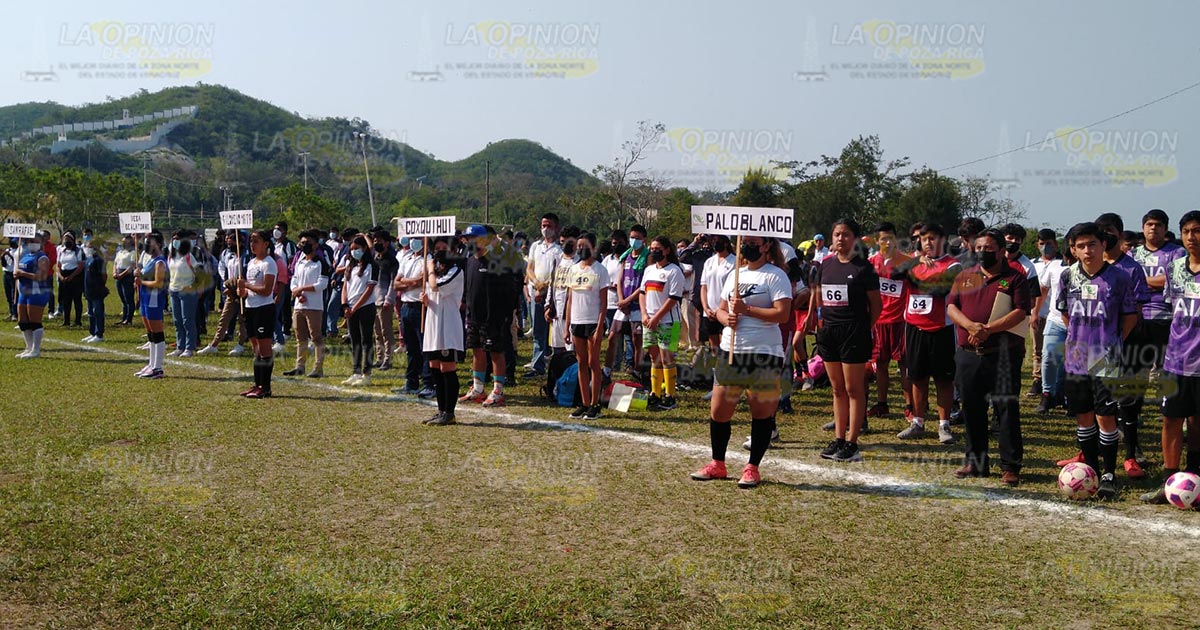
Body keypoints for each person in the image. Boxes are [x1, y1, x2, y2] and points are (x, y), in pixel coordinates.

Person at [690, 235, 793, 488]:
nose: (746, 246)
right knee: (719, 410)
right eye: (744, 242)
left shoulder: (776, 275)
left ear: (766, 245)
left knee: (761, 412)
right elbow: (721, 309)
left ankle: (752, 467)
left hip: (764, 352)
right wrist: (725, 318)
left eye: (752, 242)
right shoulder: (734, 274)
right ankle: (718, 463)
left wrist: (747, 310)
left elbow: (782, 314)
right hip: (731, 350)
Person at [1056, 222, 1138, 499]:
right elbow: (1065, 313)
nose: (1087, 250)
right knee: (1083, 416)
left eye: (1092, 244)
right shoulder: (1067, 276)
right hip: (1076, 358)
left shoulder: (1119, 278)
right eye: (1080, 246)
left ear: (1103, 245)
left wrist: (1113, 341)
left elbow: (1130, 316)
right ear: (1073, 250)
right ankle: (1090, 468)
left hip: (1106, 358)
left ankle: (1109, 473)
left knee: (1106, 416)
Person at [946, 229, 1032, 485]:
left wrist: (987, 330)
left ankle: (1010, 466)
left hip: (1003, 355)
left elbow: (1020, 312)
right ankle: (976, 462)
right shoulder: (965, 276)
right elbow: (952, 307)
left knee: (1006, 410)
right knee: (972, 409)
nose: (983, 252)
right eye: (979, 248)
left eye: (989, 248)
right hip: (968, 355)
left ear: (1002, 251)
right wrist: (971, 326)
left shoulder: (1015, 278)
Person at [809, 218, 881, 463]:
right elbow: (820, 297)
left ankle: (852, 442)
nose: (841, 238)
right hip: (830, 332)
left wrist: (863, 327)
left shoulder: (864, 268)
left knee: (853, 389)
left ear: (855, 239)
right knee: (837, 388)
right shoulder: (826, 265)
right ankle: (839, 439)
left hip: (854, 332)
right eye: (837, 234)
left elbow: (876, 306)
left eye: (846, 234)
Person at [1143, 210, 1200, 503]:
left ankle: (1195, 475)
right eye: (1187, 231)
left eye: (1197, 230)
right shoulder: (1175, 268)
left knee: (1198, 421)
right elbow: (1173, 308)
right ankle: (1169, 480)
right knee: (1171, 419)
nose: (1192, 237)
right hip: (1176, 359)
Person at [892, 223, 961, 445]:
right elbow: (894, 274)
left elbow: (940, 290)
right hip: (914, 327)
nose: (927, 243)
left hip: (941, 329)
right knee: (917, 377)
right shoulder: (915, 262)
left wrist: (914, 277)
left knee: (943, 379)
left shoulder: (953, 265)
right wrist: (915, 262)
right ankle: (918, 422)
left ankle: (944, 424)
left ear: (942, 240)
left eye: (932, 238)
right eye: (923, 239)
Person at [460, 225, 521, 407]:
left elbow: (510, 290)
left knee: (495, 352)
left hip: (494, 316)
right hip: (474, 315)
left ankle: (498, 390)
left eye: (473, 238)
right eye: (467, 239)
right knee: (476, 350)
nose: (470, 242)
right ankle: (478, 388)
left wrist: (507, 314)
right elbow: (468, 287)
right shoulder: (470, 261)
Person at [867, 222, 913, 421]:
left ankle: (910, 406)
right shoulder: (870, 263)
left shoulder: (907, 262)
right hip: (879, 321)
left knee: (904, 365)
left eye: (891, 238)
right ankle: (882, 404)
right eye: (883, 239)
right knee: (881, 364)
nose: (888, 242)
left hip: (901, 321)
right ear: (877, 241)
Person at [564, 232, 610, 419]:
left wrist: (600, 326)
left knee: (593, 362)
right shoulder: (574, 269)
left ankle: (595, 404)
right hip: (577, 321)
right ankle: (584, 402)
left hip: (592, 322)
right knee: (581, 362)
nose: (581, 249)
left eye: (585, 246)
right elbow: (570, 299)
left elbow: (604, 302)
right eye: (579, 246)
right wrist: (567, 325)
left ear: (593, 248)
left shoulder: (600, 270)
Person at [422, 237, 466, 425]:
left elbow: (435, 286)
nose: (439, 252)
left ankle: (450, 412)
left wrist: (430, 269)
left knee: (447, 369)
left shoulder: (456, 271)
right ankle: (440, 410)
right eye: (437, 248)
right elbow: (431, 292)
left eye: (443, 248)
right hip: (433, 324)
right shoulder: (437, 272)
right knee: (435, 368)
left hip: (448, 326)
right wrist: (425, 299)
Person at [639, 236, 686, 411]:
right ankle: (655, 392)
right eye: (652, 248)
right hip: (649, 320)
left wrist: (657, 318)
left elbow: (673, 298)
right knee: (654, 357)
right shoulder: (649, 270)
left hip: (669, 321)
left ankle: (670, 396)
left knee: (667, 358)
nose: (654, 251)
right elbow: (642, 293)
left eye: (658, 249)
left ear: (666, 250)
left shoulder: (674, 271)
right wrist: (644, 314)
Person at [238, 230, 279, 398]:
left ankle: (265, 387)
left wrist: (247, 285)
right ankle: (257, 384)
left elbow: (266, 290)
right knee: (255, 347)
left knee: (264, 347)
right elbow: (248, 289)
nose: (252, 244)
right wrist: (242, 292)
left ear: (266, 244)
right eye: (251, 241)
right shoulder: (251, 262)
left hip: (264, 308)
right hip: (251, 307)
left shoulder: (269, 263)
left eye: (256, 241)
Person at [283, 230, 330, 378]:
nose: (304, 245)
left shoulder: (320, 262)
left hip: (314, 306)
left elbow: (322, 284)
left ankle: (318, 368)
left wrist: (302, 289)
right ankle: (300, 366)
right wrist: (297, 292)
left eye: (307, 243)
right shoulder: (300, 261)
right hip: (299, 305)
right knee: (300, 337)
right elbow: (294, 280)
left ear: (315, 245)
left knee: (316, 337)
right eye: (302, 243)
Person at [395, 235, 435, 396]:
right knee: (411, 348)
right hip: (406, 306)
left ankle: (428, 383)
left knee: (423, 347)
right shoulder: (407, 258)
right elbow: (396, 283)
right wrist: (411, 282)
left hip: (420, 307)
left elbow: (422, 281)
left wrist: (406, 282)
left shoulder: (428, 259)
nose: (413, 241)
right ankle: (411, 382)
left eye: (417, 238)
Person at [198, 231, 250, 356]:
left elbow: (246, 273)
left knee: (242, 319)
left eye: (232, 243)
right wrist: (227, 285)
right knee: (224, 318)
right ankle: (214, 344)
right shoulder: (228, 255)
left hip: (243, 291)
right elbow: (225, 271)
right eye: (228, 243)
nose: (229, 246)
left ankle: (240, 344)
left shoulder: (247, 256)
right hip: (231, 291)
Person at [609, 225, 649, 380]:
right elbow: (620, 280)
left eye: (638, 238)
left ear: (644, 239)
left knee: (636, 339)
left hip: (637, 305)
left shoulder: (648, 257)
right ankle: (607, 369)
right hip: (622, 305)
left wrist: (628, 300)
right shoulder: (625, 256)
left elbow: (644, 284)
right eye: (632, 237)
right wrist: (621, 300)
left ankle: (637, 371)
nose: (634, 241)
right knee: (612, 336)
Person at [525, 213, 562, 377]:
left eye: (549, 226)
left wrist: (545, 287)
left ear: (556, 228)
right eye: (543, 226)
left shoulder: (559, 250)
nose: (546, 229)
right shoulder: (536, 246)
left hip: (551, 293)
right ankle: (537, 365)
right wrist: (536, 283)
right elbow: (529, 268)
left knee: (554, 331)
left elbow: (558, 273)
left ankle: (555, 363)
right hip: (536, 291)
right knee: (538, 330)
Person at [1037, 234, 1070, 414]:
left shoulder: (1089, 268)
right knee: (1049, 356)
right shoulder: (1054, 266)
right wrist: (1035, 312)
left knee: (1069, 361)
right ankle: (1047, 393)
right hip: (1055, 320)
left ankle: (1062, 392)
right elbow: (1042, 290)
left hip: (1078, 324)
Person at [341, 235, 378, 387]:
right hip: (350, 308)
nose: (354, 251)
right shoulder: (350, 266)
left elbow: (369, 289)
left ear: (364, 248)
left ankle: (367, 373)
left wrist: (355, 307)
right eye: (352, 249)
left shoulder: (371, 266)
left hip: (365, 307)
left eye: (357, 248)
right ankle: (356, 371)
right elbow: (345, 287)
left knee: (366, 340)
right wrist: (345, 305)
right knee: (354, 340)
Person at [1029, 229, 1062, 398]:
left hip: (1056, 314)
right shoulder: (1032, 264)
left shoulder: (1061, 264)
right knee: (1038, 349)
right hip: (1038, 312)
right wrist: (1033, 312)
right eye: (1042, 244)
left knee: (1055, 351)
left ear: (1055, 244)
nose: (1045, 247)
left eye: (1048, 243)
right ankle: (1037, 379)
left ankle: (1055, 382)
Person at [134, 233, 169, 378]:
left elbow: (158, 283)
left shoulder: (160, 262)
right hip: (145, 297)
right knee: (150, 333)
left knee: (157, 332)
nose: (147, 245)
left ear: (158, 244)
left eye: (150, 242)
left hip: (154, 298)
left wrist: (141, 281)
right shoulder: (150, 260)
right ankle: (151, 364)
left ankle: (157, 367)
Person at [13, 234, 51, 358]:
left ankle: (36, 350)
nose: (31, 243)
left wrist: (23, 274)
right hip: (24, 292)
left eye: (34, 241)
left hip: (36, 292)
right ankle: (28, 347)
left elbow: (42, 277)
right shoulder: (25, 256)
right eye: (30, 241)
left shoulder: (42, 257)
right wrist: (17, 274)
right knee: (23, 322)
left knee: (34, 322)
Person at [166, 231, 201, 357]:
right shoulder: (171, 256)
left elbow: (199, 272)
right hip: (174, 291)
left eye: (178, 239)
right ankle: (180, 346)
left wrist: (195, 287)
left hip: (187, 292)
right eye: (174, 239)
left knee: (187, 320)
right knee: (177, 320)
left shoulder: (188, 256)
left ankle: (189, 347)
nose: (175, 242)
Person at [601, 229, 630, 379]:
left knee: (629, 337)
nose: (616, 245)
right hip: (611, 303)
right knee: (614, 337)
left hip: (627, 303)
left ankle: (630, 363)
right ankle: (616, 363)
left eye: (620, 243)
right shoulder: (608, 260)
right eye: (614, 243)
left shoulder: (630, 258)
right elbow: (602, 277)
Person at [370, 230, 399, 371]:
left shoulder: (392, 260)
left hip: (384, 300)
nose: (376, 243)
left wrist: (389, 299)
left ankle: (388, 359)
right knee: (377, 332)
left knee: (386, 331)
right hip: (373, 299)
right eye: (375, 240)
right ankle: (379, 357)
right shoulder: (374, 259)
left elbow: (393, 282)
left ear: (387, 243)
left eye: (379, 241)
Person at [81, 236, 108, 343]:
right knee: (91, 312)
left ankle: (99, 333)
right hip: (89, 290)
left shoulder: (99, 260)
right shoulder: (88, 259)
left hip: (97, 290)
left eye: (89, 246)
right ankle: (92, 332)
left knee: (98, 312)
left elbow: (104, 275)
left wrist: (100, 286)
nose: (87, 248)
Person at [55, 231, 84, 327]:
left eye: (68, 239)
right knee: (65, 300)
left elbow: (80, 265)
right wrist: (60, 276)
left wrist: (71, 276)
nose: (66, 241)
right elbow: (58, 265)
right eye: (65, 239)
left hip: (75, 276)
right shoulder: (61, 250)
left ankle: (78, 321)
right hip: (63, 275)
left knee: (77, 299)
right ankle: (66, 320)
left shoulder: (78, 250)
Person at [113, 236, 137, 326]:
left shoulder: (133, 252)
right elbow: (115, 263)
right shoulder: (120, 252)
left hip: (127, 276)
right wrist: (115, 272)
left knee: (128, 298)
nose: (123, 243)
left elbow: (131, 266)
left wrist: (122, 275)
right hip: (118, 275)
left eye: (125, 242)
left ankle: (129, 319)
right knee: (122, 298)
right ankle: (124, 318)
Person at [3, 239, 17, 321]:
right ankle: (11, 312)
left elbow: (16, 261)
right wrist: (3, 255)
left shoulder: (18, 252)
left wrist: (9, 255)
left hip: (13, 274)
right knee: (8, 294)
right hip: (6, 273)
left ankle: (15, 313)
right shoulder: (7, 250)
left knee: (13, 295)